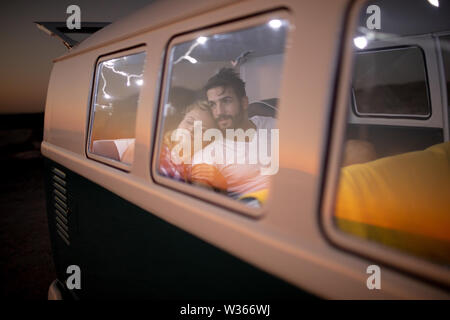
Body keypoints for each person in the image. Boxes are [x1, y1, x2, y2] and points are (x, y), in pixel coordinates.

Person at [191, 68, 277, 196]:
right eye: (213, 105)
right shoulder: (208, 155)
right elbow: (203, 199)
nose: (219, 112)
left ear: (244, 102)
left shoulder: (273, 124)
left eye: (226, 101)